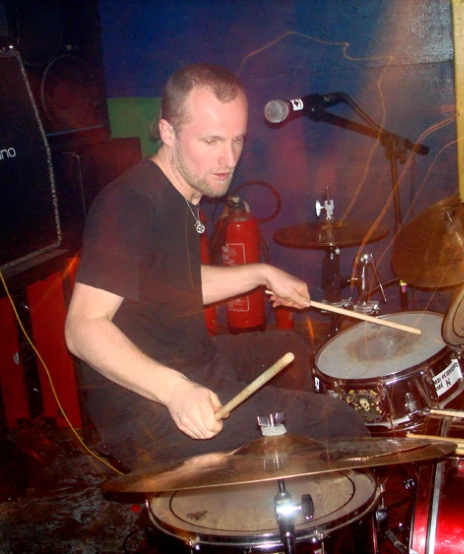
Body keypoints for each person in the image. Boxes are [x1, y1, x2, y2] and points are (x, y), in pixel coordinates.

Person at [64, 63, 367, 471]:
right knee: (342, 423)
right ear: (168, 132)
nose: (228, 159)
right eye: (211, 141)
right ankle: (279, 472)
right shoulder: (131, 204)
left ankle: (279, 469)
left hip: (195, 358)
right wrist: (175, 390)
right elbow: (83, 327)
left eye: (237, 140)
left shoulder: (185, 191)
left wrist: (262, 273)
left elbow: (179, 281)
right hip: (146, 411)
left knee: (291, 346)